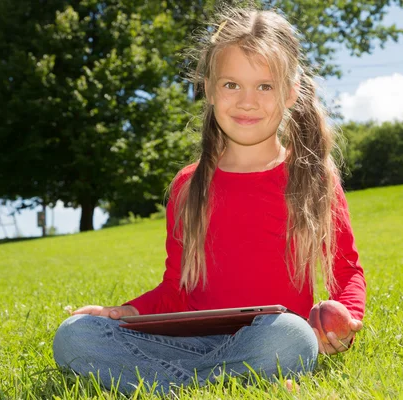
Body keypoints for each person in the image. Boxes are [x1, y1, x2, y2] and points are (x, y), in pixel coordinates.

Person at [52, 7, 366, 394]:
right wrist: (126, 313)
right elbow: (175, 291)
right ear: (209, 87)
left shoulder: (314, 177)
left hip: (269, 338)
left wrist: (345, 320)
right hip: (189, 343)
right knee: (75, 335)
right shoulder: (188, 185)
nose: (247, 101)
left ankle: (169, 383)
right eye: (232, 85)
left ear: (290, 92)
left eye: (264, 86)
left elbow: (348, 270)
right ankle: (211, 384)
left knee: (293, 337)